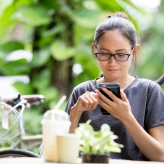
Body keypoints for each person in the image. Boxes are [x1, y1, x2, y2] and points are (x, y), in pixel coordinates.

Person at [65, 12, 164, 161]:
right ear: (95, 50)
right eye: (104, 54)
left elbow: (160, 156)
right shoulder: (81, 92)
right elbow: (61, 153)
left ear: (134, 52)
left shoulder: (150, 91)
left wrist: (126, 117)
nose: (112, 63)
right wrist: (75, 113)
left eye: (121, 54)